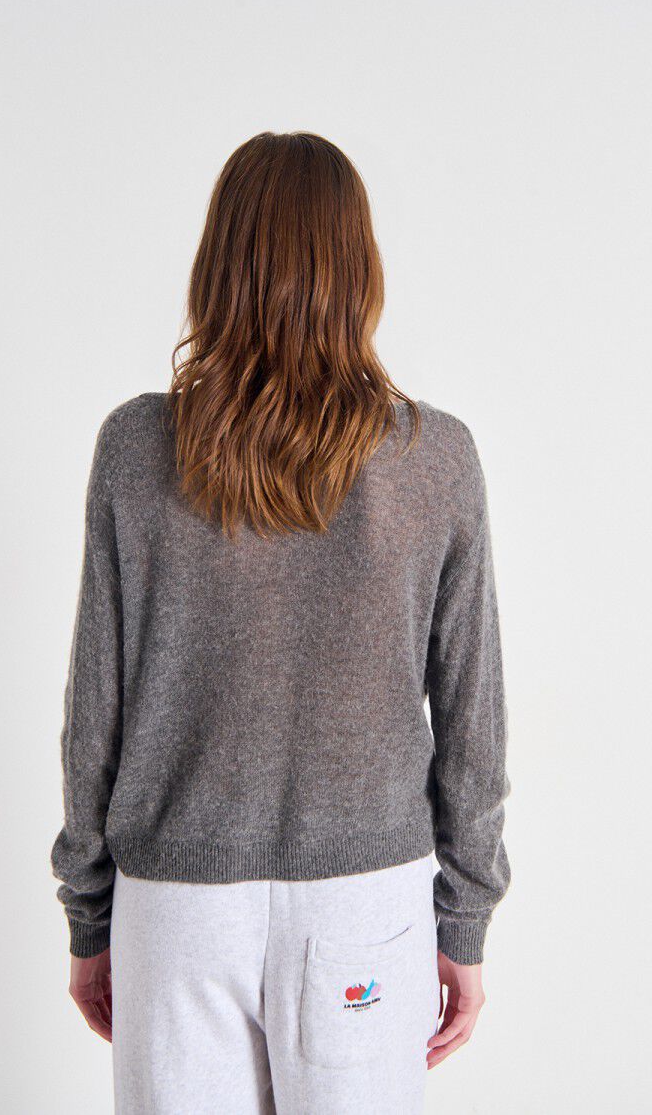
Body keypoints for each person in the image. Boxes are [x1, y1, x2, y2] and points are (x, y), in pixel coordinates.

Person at [50, 131, 511, 1114]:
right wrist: (464, 920)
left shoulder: (136, 448)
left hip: (177, 909)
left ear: (219, 265)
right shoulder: (435, 461)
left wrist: (90, 913)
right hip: (366, 904)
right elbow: (474, 725)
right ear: (360, 270)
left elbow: (95, 713)